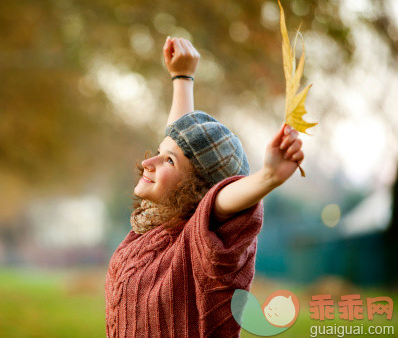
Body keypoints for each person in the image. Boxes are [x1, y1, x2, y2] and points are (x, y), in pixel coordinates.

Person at [105, 36, 304, 337]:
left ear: (197, 190)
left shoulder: (202, 246)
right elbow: (182, 138)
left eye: (168, 161)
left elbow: (220, 199)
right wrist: (182, 78)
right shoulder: (155, 227)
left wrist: (268, 178)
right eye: (159, 150)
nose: (149, 162)